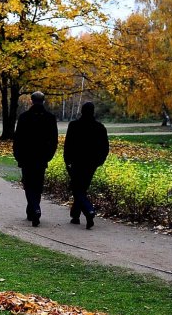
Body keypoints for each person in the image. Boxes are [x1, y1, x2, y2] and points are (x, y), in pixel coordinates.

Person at [12, 91, 58, 226]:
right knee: (37, 185)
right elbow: (53, 140)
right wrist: (48, 156)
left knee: (28, 184)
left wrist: (18, 155)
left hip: (27, 157)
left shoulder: (24, 117)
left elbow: (18, 138)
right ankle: (33, 209)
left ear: (31, 101)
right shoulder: (50, 118)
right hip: (41, 157)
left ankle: (35, 208)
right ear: (43, 101)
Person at [63, 101, 109, 229]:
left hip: (77, 162)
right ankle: (75, 215)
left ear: (82, 111)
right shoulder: (99, 128)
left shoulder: (74, 126)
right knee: (82, 188)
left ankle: (88, 210)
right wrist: (99, 161)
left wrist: (67, 160)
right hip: (91, 163)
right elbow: (105, 147)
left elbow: (68, 145)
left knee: (77, 188)